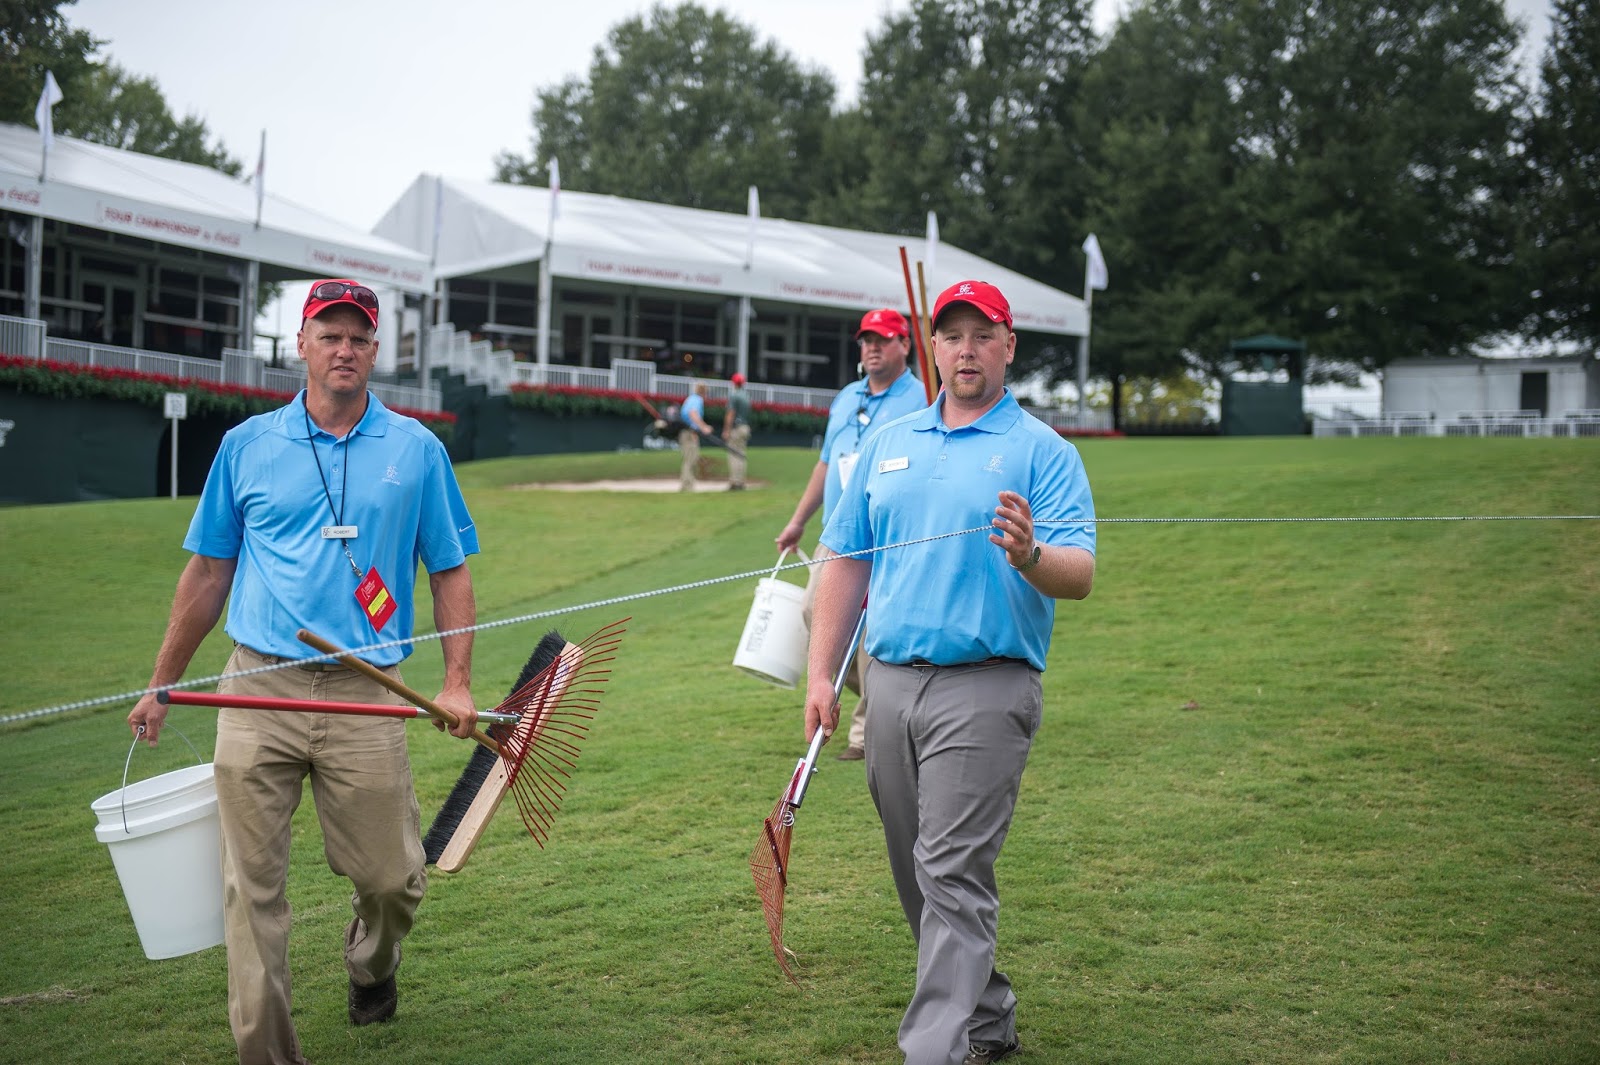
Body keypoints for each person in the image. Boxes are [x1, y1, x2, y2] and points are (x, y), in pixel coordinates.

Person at [126, 278, 481, 1065]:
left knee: (394, 879)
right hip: (258, 685)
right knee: (250, 895)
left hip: (370, 692)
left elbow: (449, 569)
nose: (344, 348)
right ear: (302, 345)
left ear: (376, 350)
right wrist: (161, 681)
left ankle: (371, 963)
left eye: (358, 336)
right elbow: (208, 574)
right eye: (330, 334)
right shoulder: (246, 445)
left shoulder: (416, 450)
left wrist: (456, 681)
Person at [805, 280, 1096, 1065]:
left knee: (950, 866)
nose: (966, 348)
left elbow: (1080, 573)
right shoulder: (890, 440)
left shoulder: (1044, 451)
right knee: (918, 867)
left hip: (988, 684)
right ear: (932, 348)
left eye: (982, 334)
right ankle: (988, 1013)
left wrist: (1030, 554)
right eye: (952, 334)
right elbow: (842, 560)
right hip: (891, 682)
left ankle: (933, 1049)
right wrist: (821, 672)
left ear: (1009, 347)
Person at [775, 308, 926, 760]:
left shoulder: (923, 397)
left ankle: (864, 734)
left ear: (905, 344)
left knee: (872, 629)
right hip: (840, 530)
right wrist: (798, 520)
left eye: (882, 338)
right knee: (814, 614)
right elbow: (827, 462)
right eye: (865, 340)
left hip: (890, 534)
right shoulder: (846, 398)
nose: (872, 347)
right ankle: (876, 695)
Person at [678, 380, 714, 492]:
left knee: (689, 459)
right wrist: (704, 427)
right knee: (690, 459)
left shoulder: (691, 398)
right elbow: (692, 414)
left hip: (687, 432)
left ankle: (687, 484)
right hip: (689, 432)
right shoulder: (697, 400)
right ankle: (687, 486)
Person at [723, 372, 754, 490]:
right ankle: (740, 481)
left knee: (733, 454)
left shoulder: (734, 395)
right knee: (741, 454)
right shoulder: (746, 396)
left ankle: (735, 482)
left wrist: (726, 430)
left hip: (737, 428)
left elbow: (730, 414)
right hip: (745, 427)